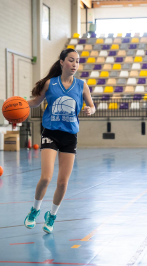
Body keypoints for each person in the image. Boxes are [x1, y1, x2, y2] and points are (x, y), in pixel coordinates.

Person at [24, 48, 95, 234]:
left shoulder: (82, 85)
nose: (75, 64)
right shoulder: (50, 84)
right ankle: (35, 210)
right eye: (71, 60)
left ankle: (52, 215)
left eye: (77, 61)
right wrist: (18, 104)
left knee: (63, 183)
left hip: (70, 136)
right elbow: (35, 102)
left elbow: (92, 106)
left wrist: (90, 110)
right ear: (62, 62)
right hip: (51, 132)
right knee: (46, 177)